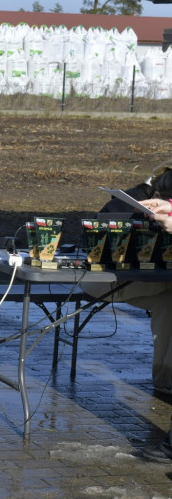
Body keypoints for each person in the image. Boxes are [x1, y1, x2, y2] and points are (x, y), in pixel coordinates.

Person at [84, 162, 172, 395]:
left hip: (150, 283)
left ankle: (165, 379)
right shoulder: (121, 206)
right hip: (109, 280)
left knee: (168, 303)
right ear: (157, 195)